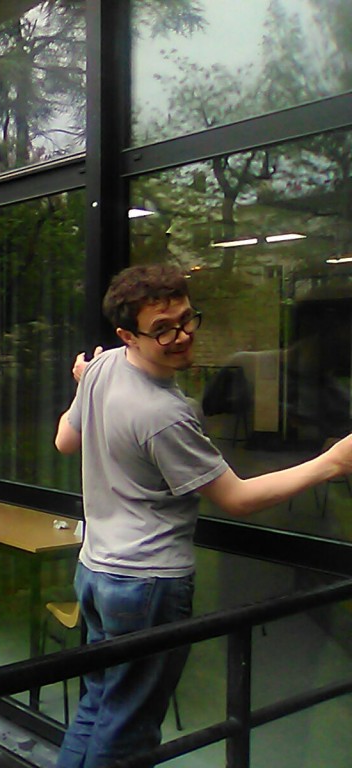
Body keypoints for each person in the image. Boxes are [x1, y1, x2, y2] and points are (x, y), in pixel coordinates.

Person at [53, 264, 352, 768]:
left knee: (99, 705)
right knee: (128, 731)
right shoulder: (164, 413)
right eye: (163, 329)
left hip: (97, 572)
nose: (182, 337)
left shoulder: (103, 369)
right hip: (146, 584)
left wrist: (82, 385)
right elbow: (235, 499)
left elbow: (65, 440)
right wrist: (331, 463)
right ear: (128, 334)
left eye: (188, 319)